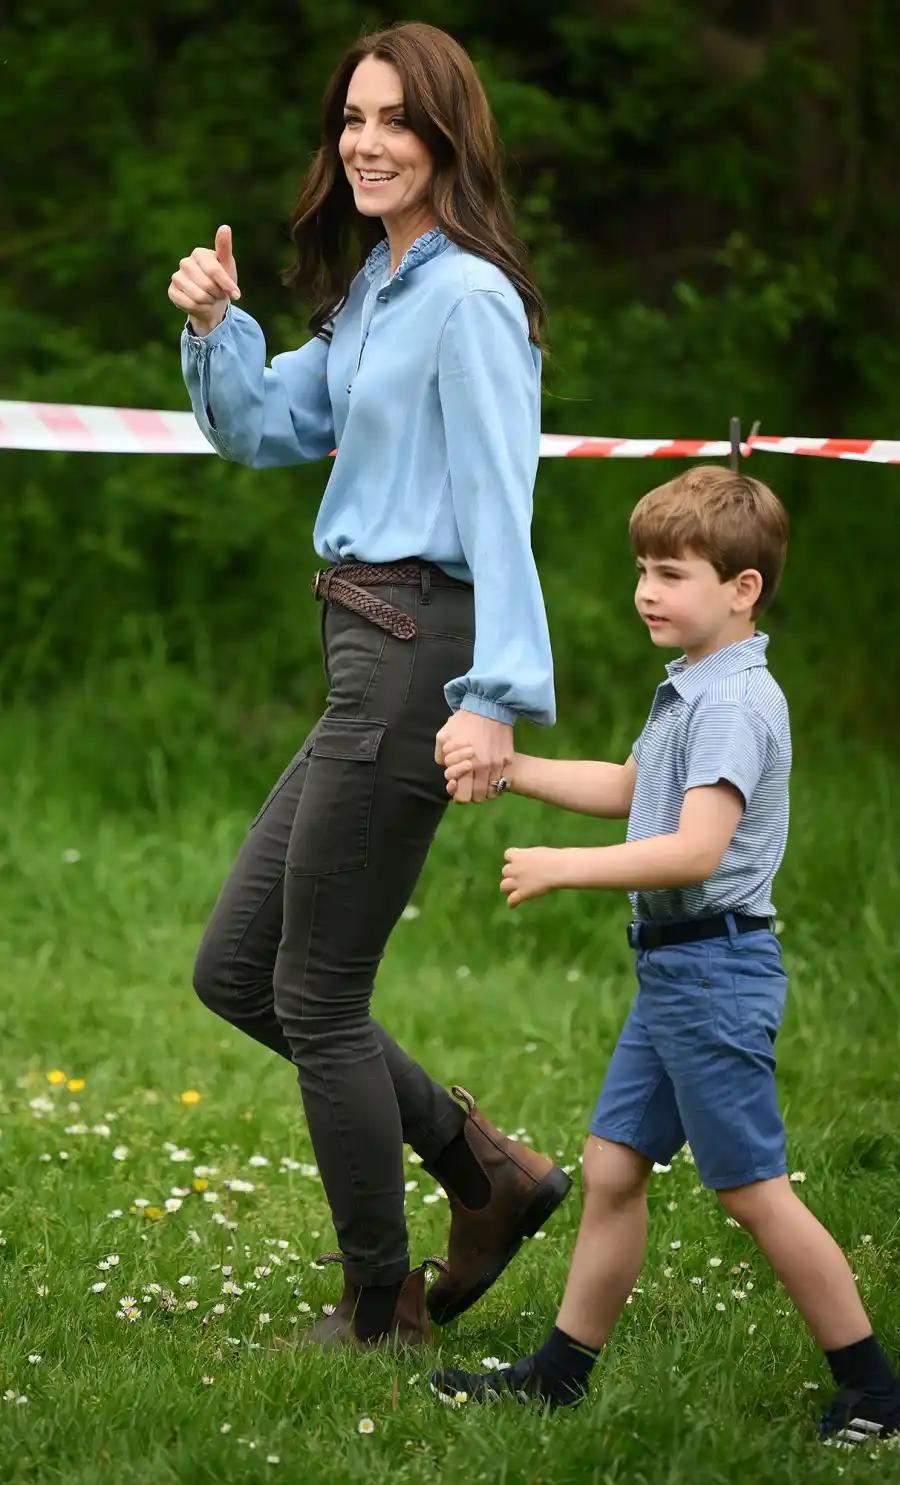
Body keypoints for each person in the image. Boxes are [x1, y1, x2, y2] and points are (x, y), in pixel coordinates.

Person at [167, 20, 571, 1350]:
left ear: (447, 137)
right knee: (238, 969)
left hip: (418, 657)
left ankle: (380, 1305)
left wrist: (493, 690)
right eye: (352, 118)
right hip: (364, 651)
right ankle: (487, 1170)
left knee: (317, 995)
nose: (366, 141)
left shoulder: (468, 298)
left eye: (395, 119)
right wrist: (223, 331)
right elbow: (271, 428)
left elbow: (503, 507)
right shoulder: (377, 290)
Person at [432, 465, 900, 1446]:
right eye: (643, 569)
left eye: (673, 572)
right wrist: (507, 766)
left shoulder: (734, 705)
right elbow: (626, 788)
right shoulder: (690, 686)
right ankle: (560, 1376)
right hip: (677, 970)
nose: (647, 590)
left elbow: (695, 847)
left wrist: (564, 868)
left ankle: (875, 1392)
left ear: (743, 588)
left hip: (715, 974)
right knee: (611, 1170)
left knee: (751, 1192)